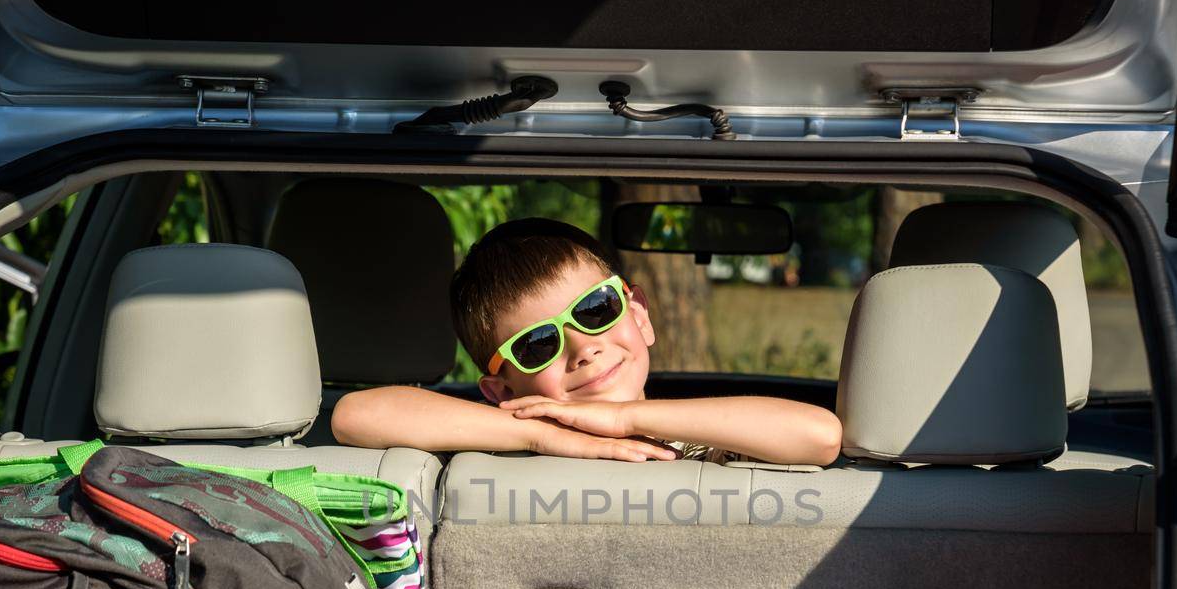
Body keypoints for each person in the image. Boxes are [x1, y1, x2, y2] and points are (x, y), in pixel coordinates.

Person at [331, 218, 843, 465]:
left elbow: (820, 436)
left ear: (637, 313)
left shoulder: (709, 439)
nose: (584, 348)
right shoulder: (504, 448)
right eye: (536, 345)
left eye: (595, 310)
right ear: (503, 392)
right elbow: (355, 414)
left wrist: (626, 420)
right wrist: (539, 435)